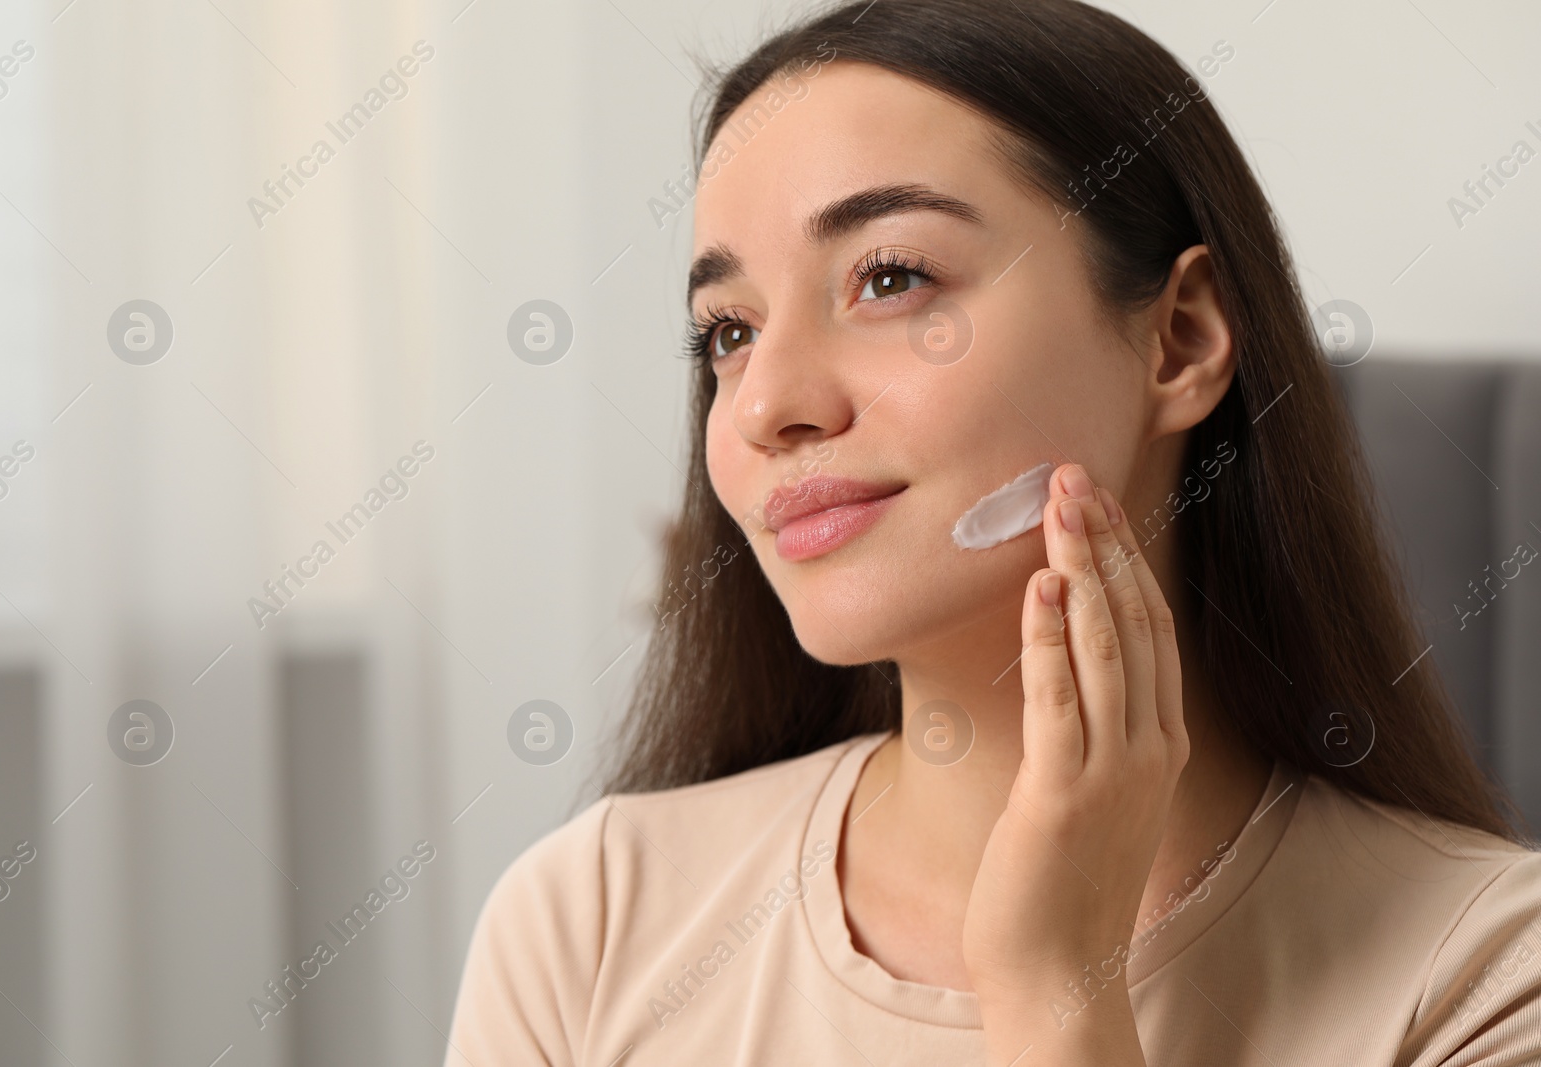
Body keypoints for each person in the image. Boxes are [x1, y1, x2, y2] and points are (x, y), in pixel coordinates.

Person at [445, 1, 1541, 1063]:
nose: (764, 401)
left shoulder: (1485, 976)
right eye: (727, 330)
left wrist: (1053, 986)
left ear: (1179, 338)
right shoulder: (587, 922)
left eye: (888, 276)